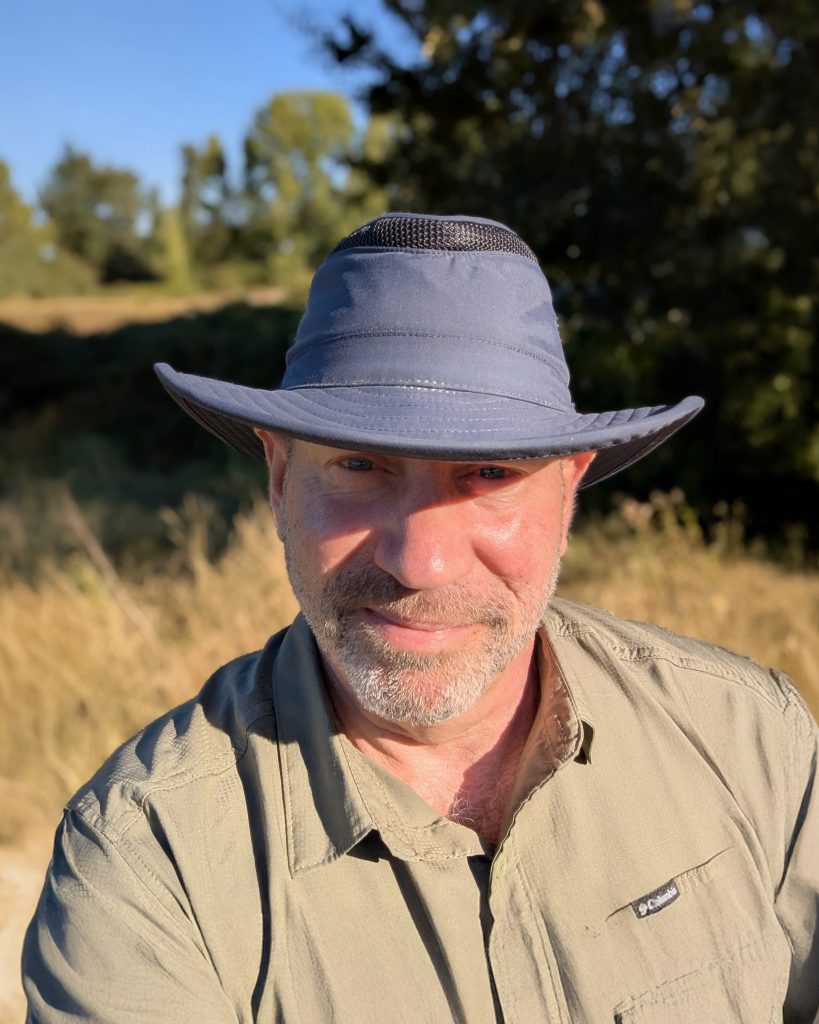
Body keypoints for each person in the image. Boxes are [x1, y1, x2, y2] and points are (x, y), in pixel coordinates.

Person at [23, 213, 818, 1023]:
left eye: (490, 472)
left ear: (569, 487)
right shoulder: (149, 864)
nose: (421, 562)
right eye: (359, 465)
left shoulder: (747, 738)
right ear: (278, 476)